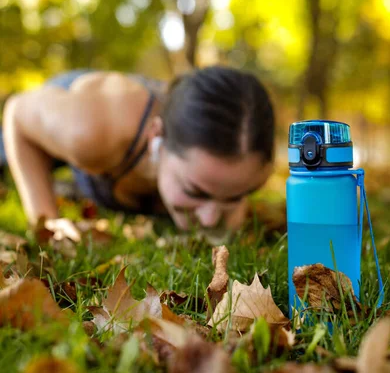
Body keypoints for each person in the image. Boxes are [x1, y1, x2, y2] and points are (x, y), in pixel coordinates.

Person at [1, 66, 275, 242]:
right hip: (63, 109)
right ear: (157, 138)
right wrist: (47, 223)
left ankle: (69, 188)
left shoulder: (232, 165)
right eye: (195, 192)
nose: (210, 220)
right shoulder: (91, 131)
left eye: (236, 195)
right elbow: (16, 115)